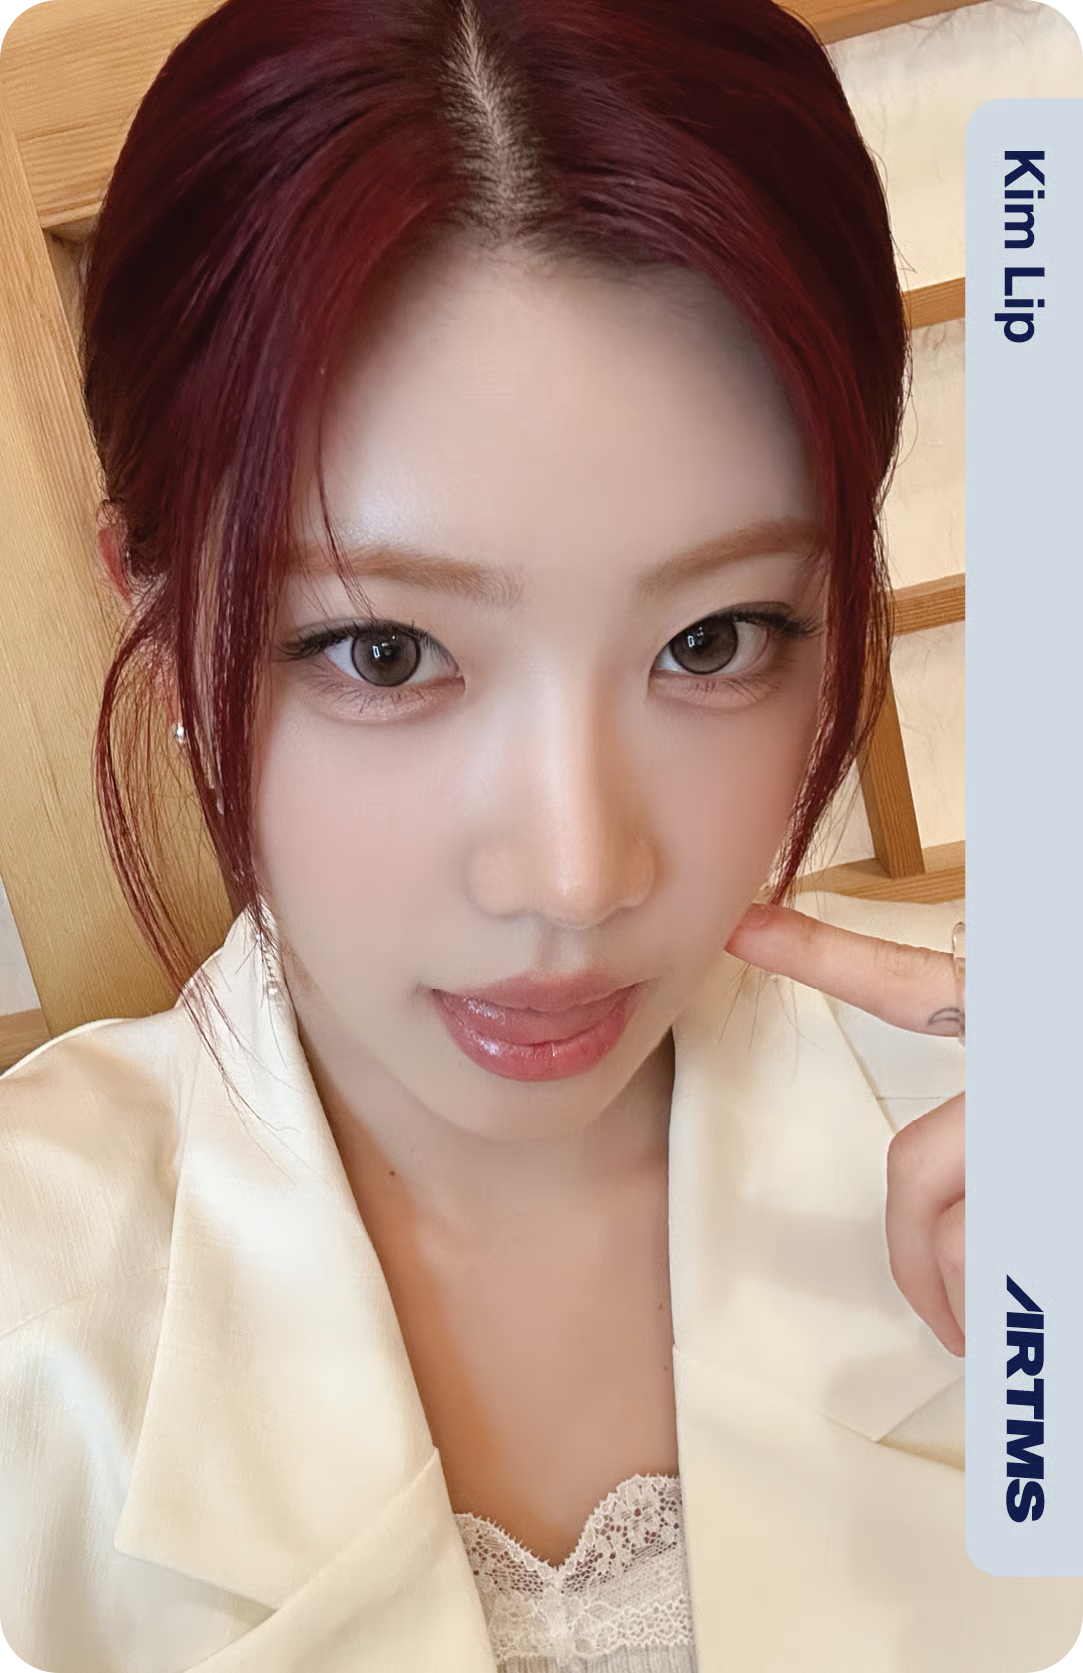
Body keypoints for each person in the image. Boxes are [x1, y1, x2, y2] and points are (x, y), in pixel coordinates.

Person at [0, 1, 1080, 1669]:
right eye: (383, 653)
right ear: (153, 600)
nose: (576, 876)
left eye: (712, 640)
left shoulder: (1014, 1133)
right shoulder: (32, 1310)